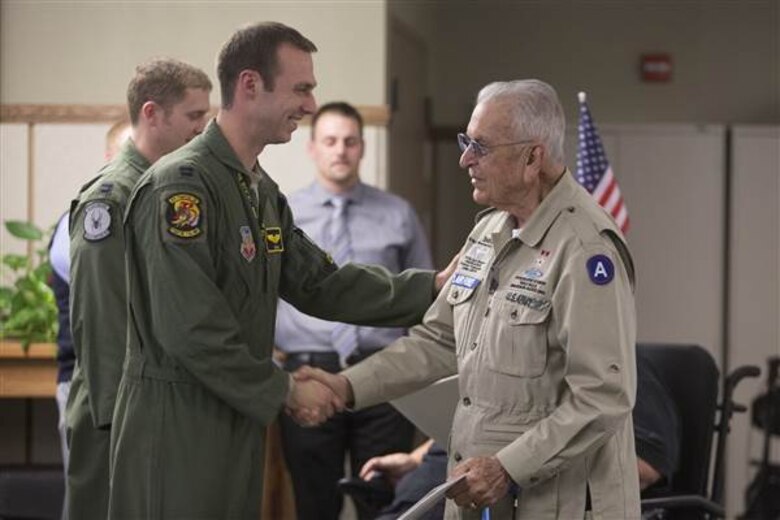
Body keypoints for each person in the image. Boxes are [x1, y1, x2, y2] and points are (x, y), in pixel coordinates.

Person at [109, 21, 450, 519]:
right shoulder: (181, 188)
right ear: (250, 85)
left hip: (236, 415)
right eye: (302, 89)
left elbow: (320, 283)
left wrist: (433, 288)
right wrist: (287, 390)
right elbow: (193, 329)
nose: (310, 106)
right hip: (178, 423)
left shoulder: (259, 191)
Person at [299, 79, 641, 519]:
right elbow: (440, 339)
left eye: (480, 146)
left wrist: (506, 469)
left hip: (559, 503)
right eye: (466, 142)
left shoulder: (586, 248)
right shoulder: (489, 232)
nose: (465, 159)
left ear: (532, 157)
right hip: (484, 494)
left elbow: (603, 397)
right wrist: (347, 386)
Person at [66, 58, 212, 520]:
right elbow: (102, 318)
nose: (203, 129)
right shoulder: (111, 198)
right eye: (193, 117)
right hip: (115, 416)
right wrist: (122, 424)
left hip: (153, 411)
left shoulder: (163, 189)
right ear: (152, 114)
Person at [275, 101, 434, 519]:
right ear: (312, 148)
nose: (340, 150)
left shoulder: (398, 214)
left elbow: (427, 297)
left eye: (349, 141)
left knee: (384, 498)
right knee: (315, 501)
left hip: (384, 376)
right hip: (307, 376)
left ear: (363, 147)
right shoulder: (283, 214)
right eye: (330, 141)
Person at [356, 348, 682, 519]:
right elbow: (473, 419)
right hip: (421, 500)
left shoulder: (612, 368)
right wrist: (414, 459)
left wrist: (515, 466)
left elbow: (645, 465)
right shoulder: (505, 357)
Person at [48, 117, 131, 520]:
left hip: (131, 390)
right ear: (108, 157)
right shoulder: (86, 219)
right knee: (91, 504)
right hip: (86, 385)